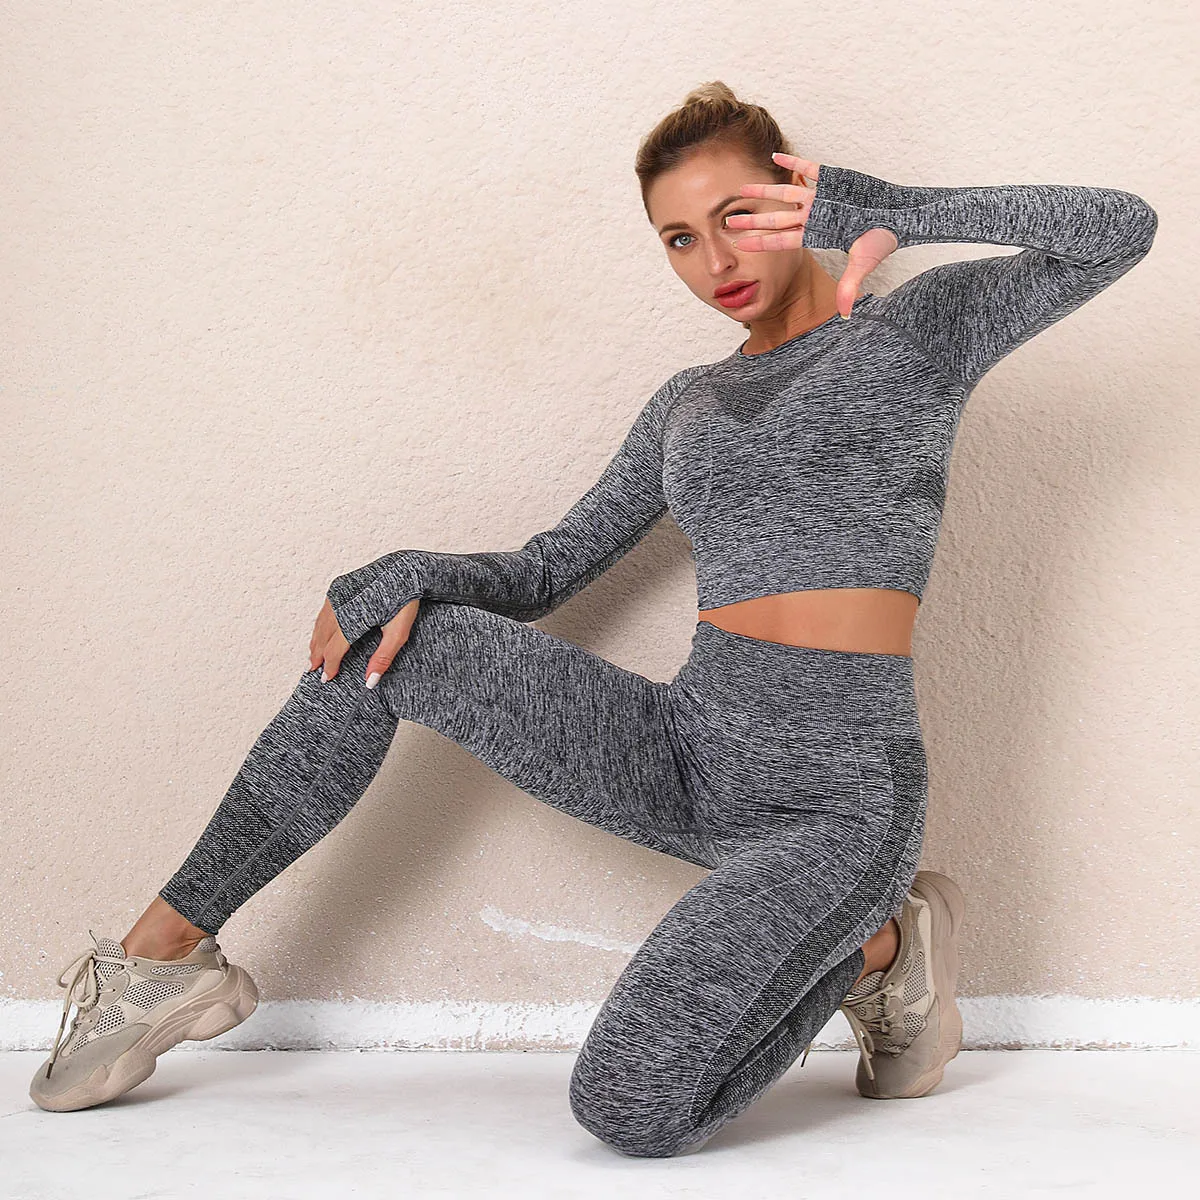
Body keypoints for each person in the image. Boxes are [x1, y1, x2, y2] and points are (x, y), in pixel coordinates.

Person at [30, 80, 1157, 1156]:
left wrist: (885, 207)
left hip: (833, 798)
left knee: (631, 1106)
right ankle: (164, 957)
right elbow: (545, 570)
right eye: (679, 239)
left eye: (739, 218)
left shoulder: (918, 332)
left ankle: (885, 945)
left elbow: (1119, 229)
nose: (714, 262)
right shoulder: (689, 401)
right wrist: (401, 569)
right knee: (386, 637)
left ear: (795, 198)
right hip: (687, 749)